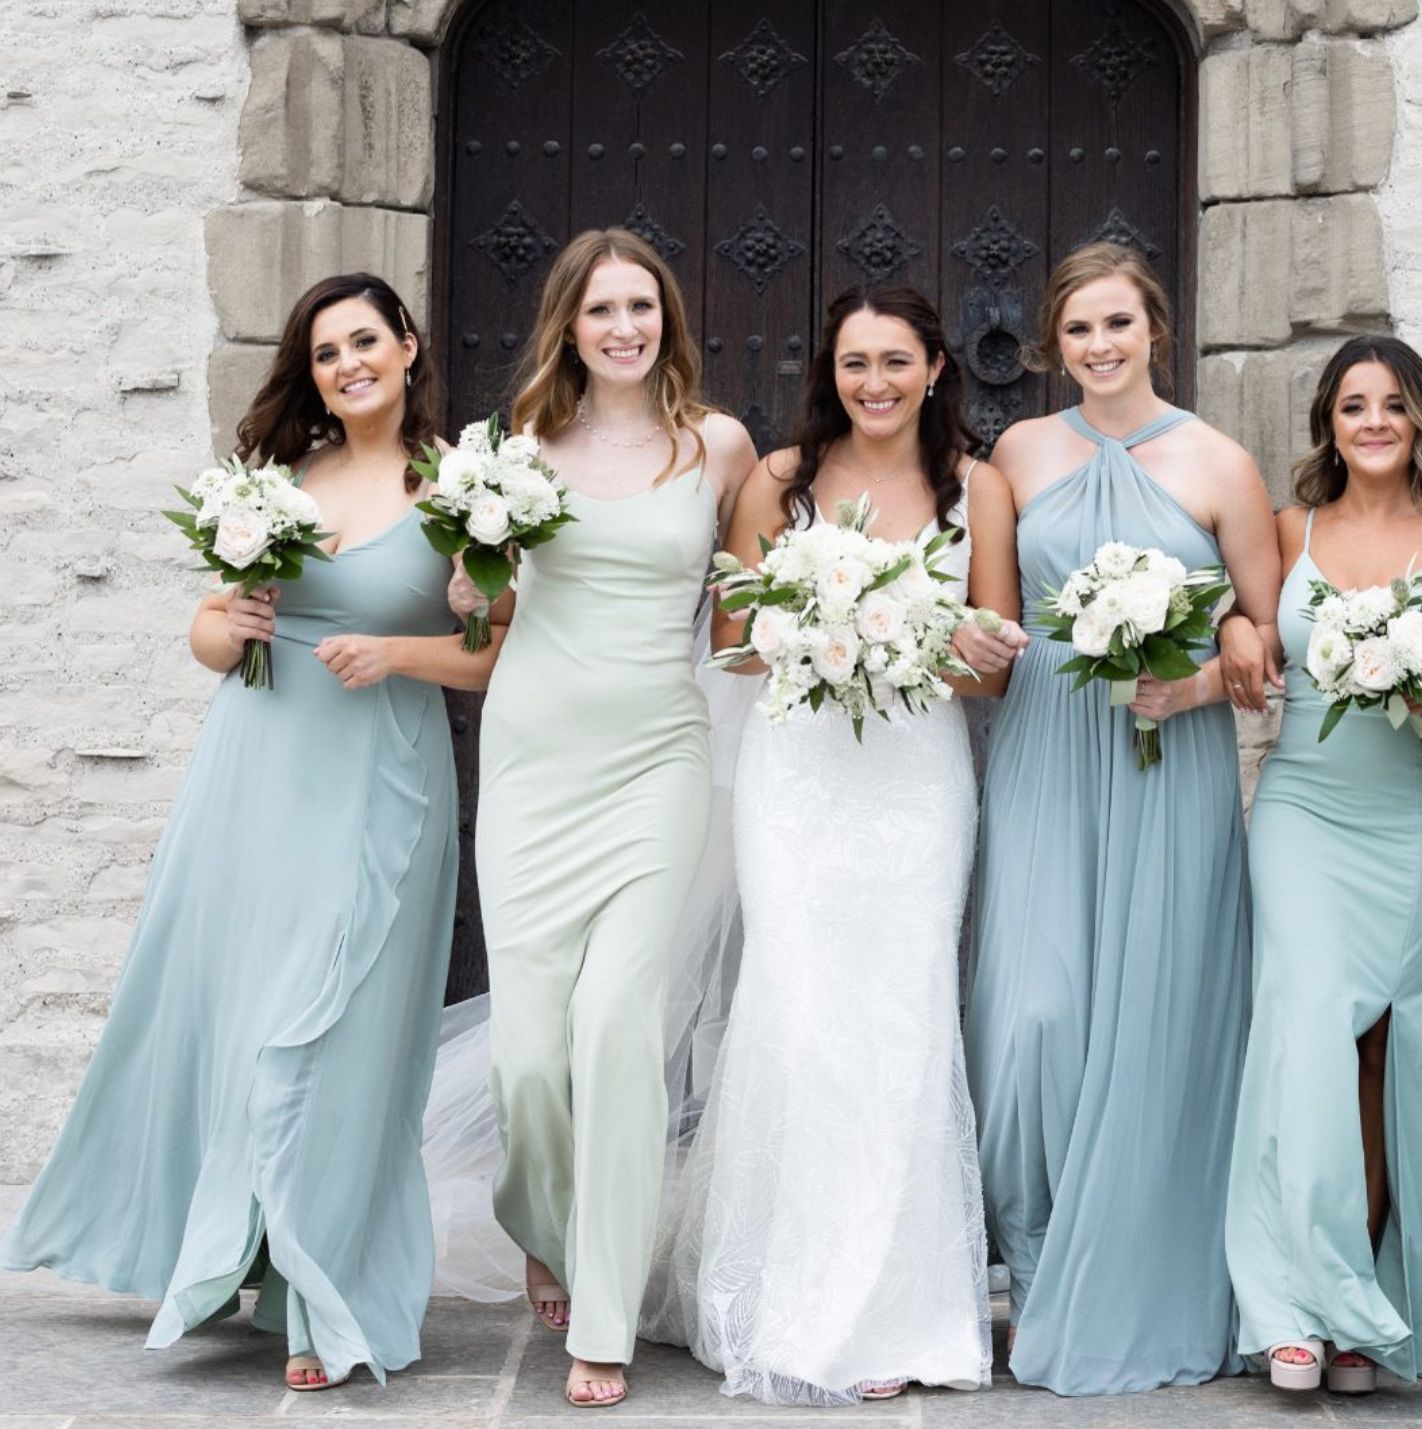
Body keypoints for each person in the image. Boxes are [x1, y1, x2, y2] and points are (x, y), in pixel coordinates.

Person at [1, 273, 493, 1390]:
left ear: (408, 344)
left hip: (382, 777)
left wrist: (405, 652)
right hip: (255, 768)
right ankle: (231, 1256)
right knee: (237, 1015)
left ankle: (325, 1285)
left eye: (366, 340)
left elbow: (498, 653)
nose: (348, 364)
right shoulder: (279, 481)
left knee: (327, 1022)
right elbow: (211, 637)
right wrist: (226, 620)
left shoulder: (463, 490)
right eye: (326, 353)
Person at [648, 285, 1019, 1405]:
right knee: (802, 1019)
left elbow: (992, 657)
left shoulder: (978, 488)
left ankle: (904, 1310)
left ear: (937, 367)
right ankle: (795, 1302)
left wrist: (900, 638)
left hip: (915, 781)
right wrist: (819, 631)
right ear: (832, 369)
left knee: (903, 1020)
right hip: (799, 780)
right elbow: (729, 639)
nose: (874, 383)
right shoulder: (780, 478)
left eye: (895, 361)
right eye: (855, 363)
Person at [962, 242, 1279, 1396]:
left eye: (1119, 325)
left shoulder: (1220, 463)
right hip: (1048, 744)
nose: (1100, 347)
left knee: (1154, 1014)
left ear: (1156, 330)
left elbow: (1262, 629)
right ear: (1055, 343)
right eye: (1080, 331)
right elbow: (994, 616)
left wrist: (1205, 673)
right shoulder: (1017, 452)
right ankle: (1040, 1265)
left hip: (1166, 756)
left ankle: (1147, 1265)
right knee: (1033, 1016)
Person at [468, 228, 756, 1409]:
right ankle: (539, 1215)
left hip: (657, 760)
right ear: (569, 326)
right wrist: (470, 575)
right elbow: (482, 613)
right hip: (534, 760)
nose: (624, 327)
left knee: (618, 1026)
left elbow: (740, 612)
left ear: (667, 318)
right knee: (528, 1051)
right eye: (602, 311)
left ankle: (603, 1313)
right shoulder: (511, 449)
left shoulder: (719, 446)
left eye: (642, 306)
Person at [1225, 335, 1422, 1397]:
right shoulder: (1285, 528)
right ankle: (1294, 1308)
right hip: (1303, 810)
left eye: (1391, 404)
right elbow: (1244, 621)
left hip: (1414, 818)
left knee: (1388, 1056)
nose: (1372, 421)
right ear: (1327, 422)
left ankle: (1364, 1317)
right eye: (1352, 405)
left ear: (1420, 418)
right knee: (1307, 1033)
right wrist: (1228, 628)